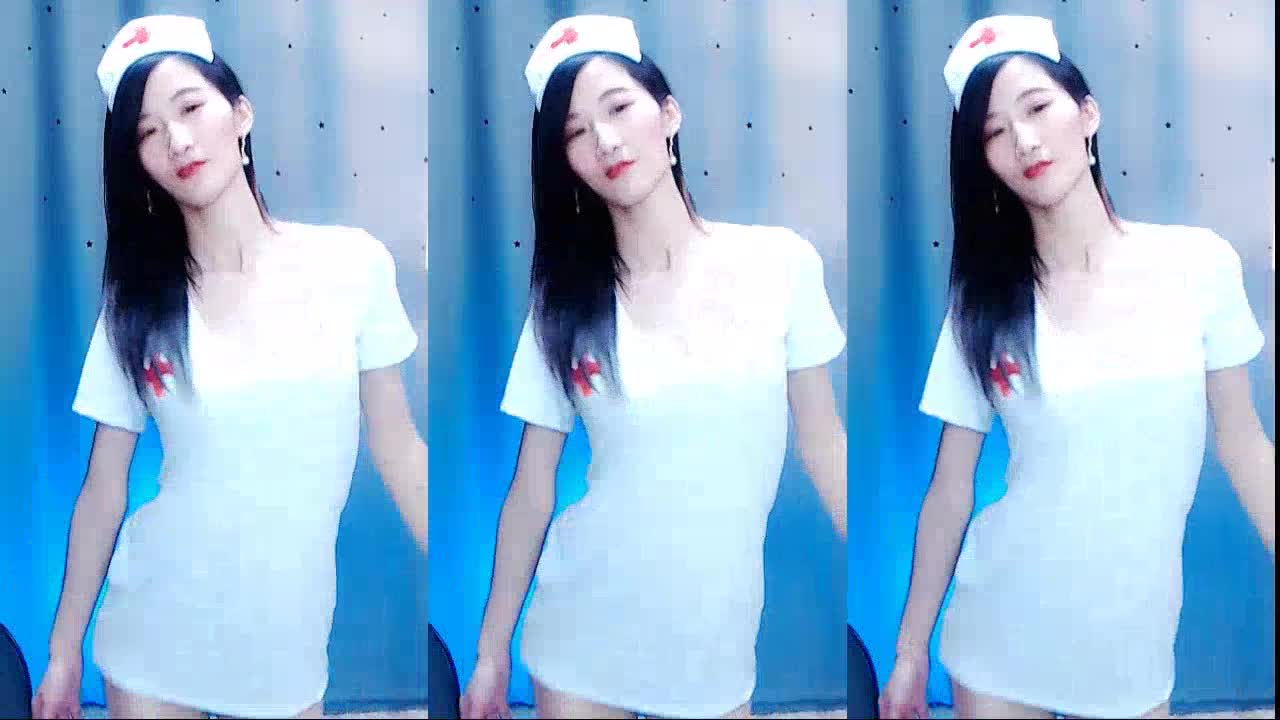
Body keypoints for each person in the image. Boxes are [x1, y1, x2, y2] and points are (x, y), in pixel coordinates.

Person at [879, 15, 1275, 720]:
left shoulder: (1198, 266)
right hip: (999, 641)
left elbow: (1245, 443)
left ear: (1087, 114)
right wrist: (909, 652)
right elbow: (949, 491)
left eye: (1037, 107)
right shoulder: (985, 305)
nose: (1025, 140)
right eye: (995, 132)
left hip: (1131, 652)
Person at [30, 15, 426, 720]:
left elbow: (397, 446)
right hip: (152, 641)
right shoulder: (138, 305)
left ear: (240, 114)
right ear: (138, 164)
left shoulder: (351, 264)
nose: (178, 141)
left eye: (190, 108)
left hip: (286, 651)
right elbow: (102, 490)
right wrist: (63, 652)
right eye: (148, 133)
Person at [458, 15, 848, 720]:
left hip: (713, 650)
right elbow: (531, 489)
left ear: (668, 114)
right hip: (579, 641)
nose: (606, 140)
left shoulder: (779, 264)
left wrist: (908, 628)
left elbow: (825, 445)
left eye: (618, 108)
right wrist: (490, 652)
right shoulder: (565, 306)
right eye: (576, 132)